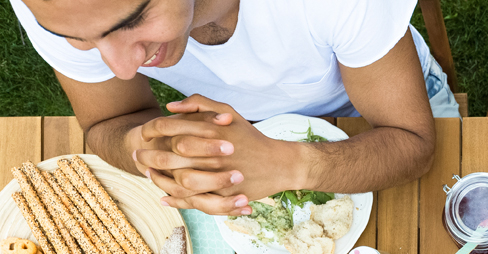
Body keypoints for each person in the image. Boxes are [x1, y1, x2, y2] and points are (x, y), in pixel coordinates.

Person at [9, 0, 461, 216]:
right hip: (238, 145)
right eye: (80, 40)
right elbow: (108, 123)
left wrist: (291, 165)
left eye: (131, 23)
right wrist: (146, 147)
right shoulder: (58, 5)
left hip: (375, 112)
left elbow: (413, 143)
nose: (119, 67)